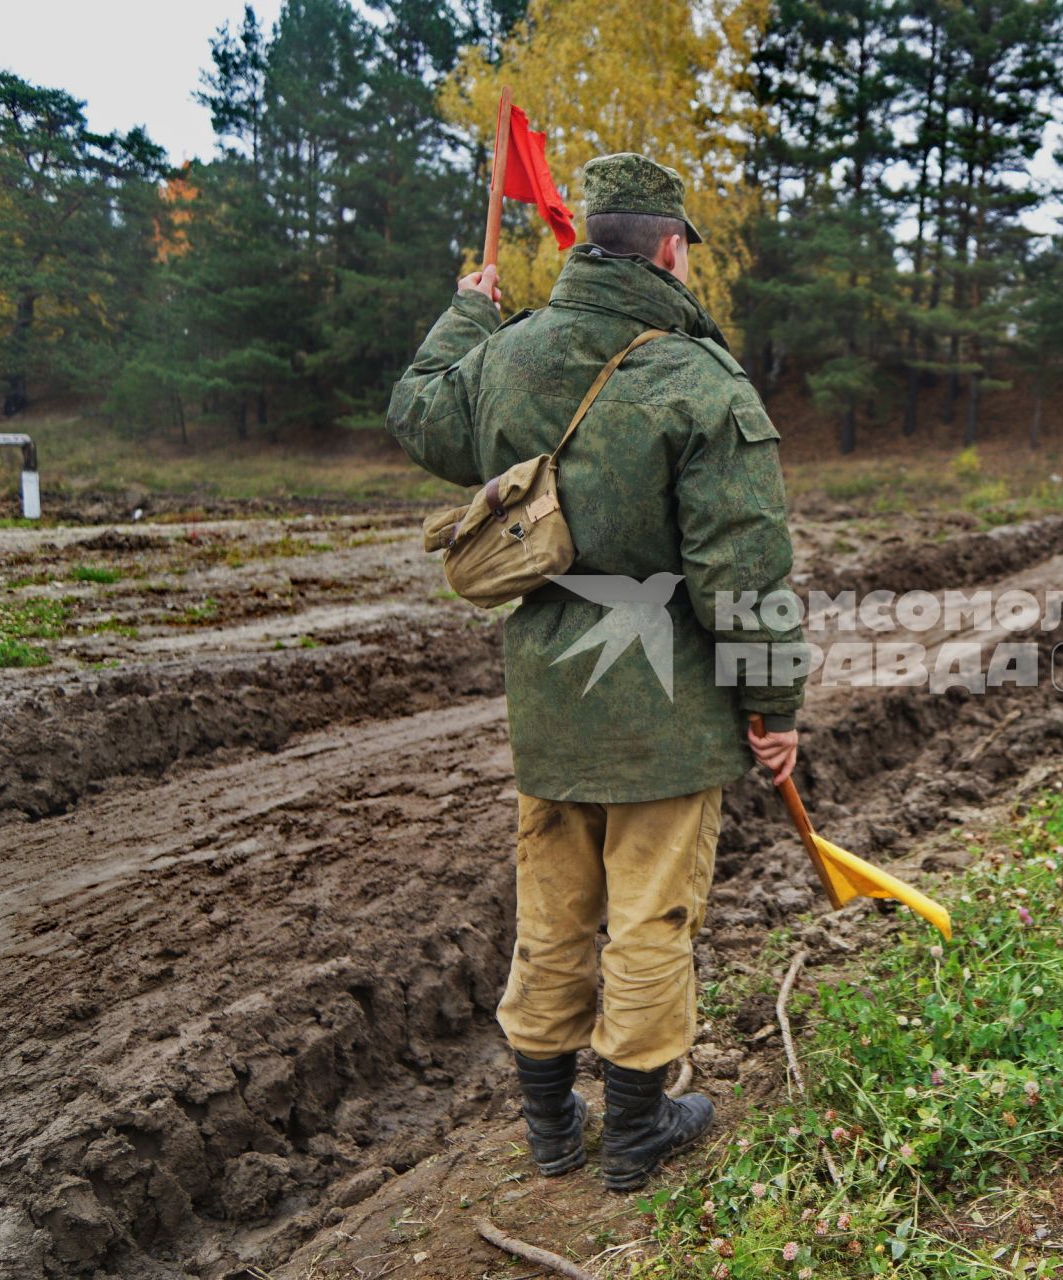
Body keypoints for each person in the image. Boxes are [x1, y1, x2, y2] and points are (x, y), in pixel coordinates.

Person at [385, 153, 806, 1191]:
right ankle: (634, 1131)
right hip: (669, 711)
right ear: (668, 249)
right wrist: (769, 701)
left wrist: (465, 314)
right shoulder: (699, 379)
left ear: (585, 243)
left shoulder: (507, 357)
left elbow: (419, 412)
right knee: (651, 915)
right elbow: (741, 561)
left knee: (553, 910)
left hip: (550, 702)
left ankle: (547, 1130)